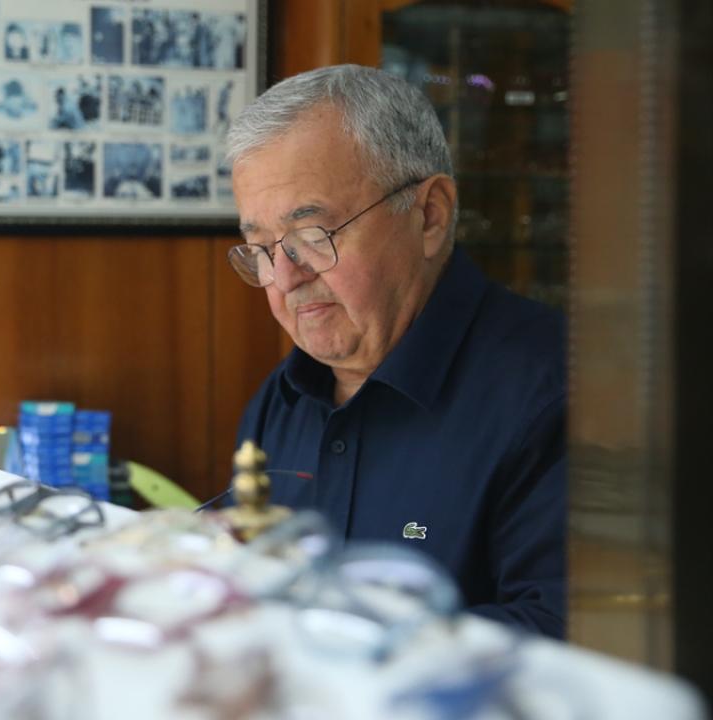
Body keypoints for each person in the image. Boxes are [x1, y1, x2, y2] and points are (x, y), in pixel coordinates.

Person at [226, 64, 566, 638]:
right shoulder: (281, 399)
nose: (284, 279)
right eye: (260, 249)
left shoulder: (553, 396)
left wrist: (330, 645)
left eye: (313, 236)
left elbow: (561, 642)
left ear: (429, 215)